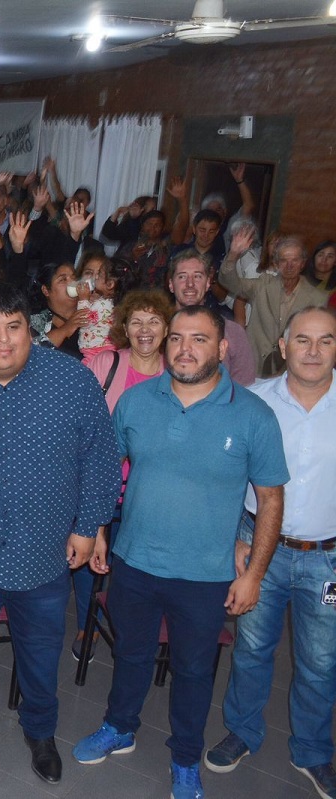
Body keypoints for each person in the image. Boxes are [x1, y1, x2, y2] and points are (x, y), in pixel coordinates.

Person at [73, 305, 288, 799]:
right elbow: (109, 468)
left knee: (193, 670)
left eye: (198, 338)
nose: (185, 349)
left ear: (222, 348)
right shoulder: (137, 401)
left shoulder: (253, 414)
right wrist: (100, 530)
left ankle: (186, 758)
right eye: (176, 338)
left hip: (206, 574)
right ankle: (119, 726)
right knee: (130, 652)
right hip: (134, 562)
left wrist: (254, 573)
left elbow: (271, 498)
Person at [0, 283, 121, 785]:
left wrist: (88, 526)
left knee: (40, 649)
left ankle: (40, 730)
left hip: (44, 551)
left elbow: (102, 458)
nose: (4, 341)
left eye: (14, 327)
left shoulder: (73, 380)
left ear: (30, 331)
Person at [204, 307, 336, 799]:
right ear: (283, 346)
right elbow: (228, 474)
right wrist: (235, 536)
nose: (313, 351)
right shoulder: (254, 400)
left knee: (321, 661)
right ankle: (242, 731)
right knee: (253, 647)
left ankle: (314, 752)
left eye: (325, 341)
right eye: (303, 340)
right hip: (261, 547)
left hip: (328, 558)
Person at [74, 289, 173, 660]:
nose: (145, 330)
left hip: (149, 492)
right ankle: (87, 623)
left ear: (166, 329)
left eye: (153, 321)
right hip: (100, 483)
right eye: (136, 322)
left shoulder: (176, 374)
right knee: (88, 555)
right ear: (125, 329)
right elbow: (77, 412)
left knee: (132, 563)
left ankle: (128, 628)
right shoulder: (106, 364)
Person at [219, 231, 329, 377]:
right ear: (276, 263)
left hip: (290, 371)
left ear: (303, 263)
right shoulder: (262, 285)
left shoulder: (317, 298)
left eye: (294, 260)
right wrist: (233, 254)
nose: (289, 266)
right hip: (254, 363)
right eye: (284, 260)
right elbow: (229, 282)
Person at [166, 250, 257, 386]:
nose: (190, 284)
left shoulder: (232, 331)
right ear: (171, 285)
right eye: (182, 277)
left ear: (208, 283)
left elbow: (245, 387)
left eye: (197, 276)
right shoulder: (157, 330)